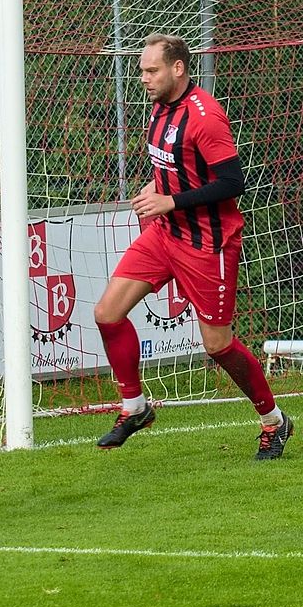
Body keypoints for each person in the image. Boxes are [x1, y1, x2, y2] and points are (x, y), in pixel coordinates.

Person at [95, 33, 293, 459]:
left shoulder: (206, 117)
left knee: (218, 345)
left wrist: (170, 200)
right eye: (142, 70)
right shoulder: (160, 107)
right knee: (107, 314)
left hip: (209, 244)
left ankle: (274, 421)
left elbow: (232, 182)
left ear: (178, 68)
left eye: (152, 70)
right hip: (166, 234)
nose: (144, 78)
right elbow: (177, 165)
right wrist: (157, 188)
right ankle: (135, 407)